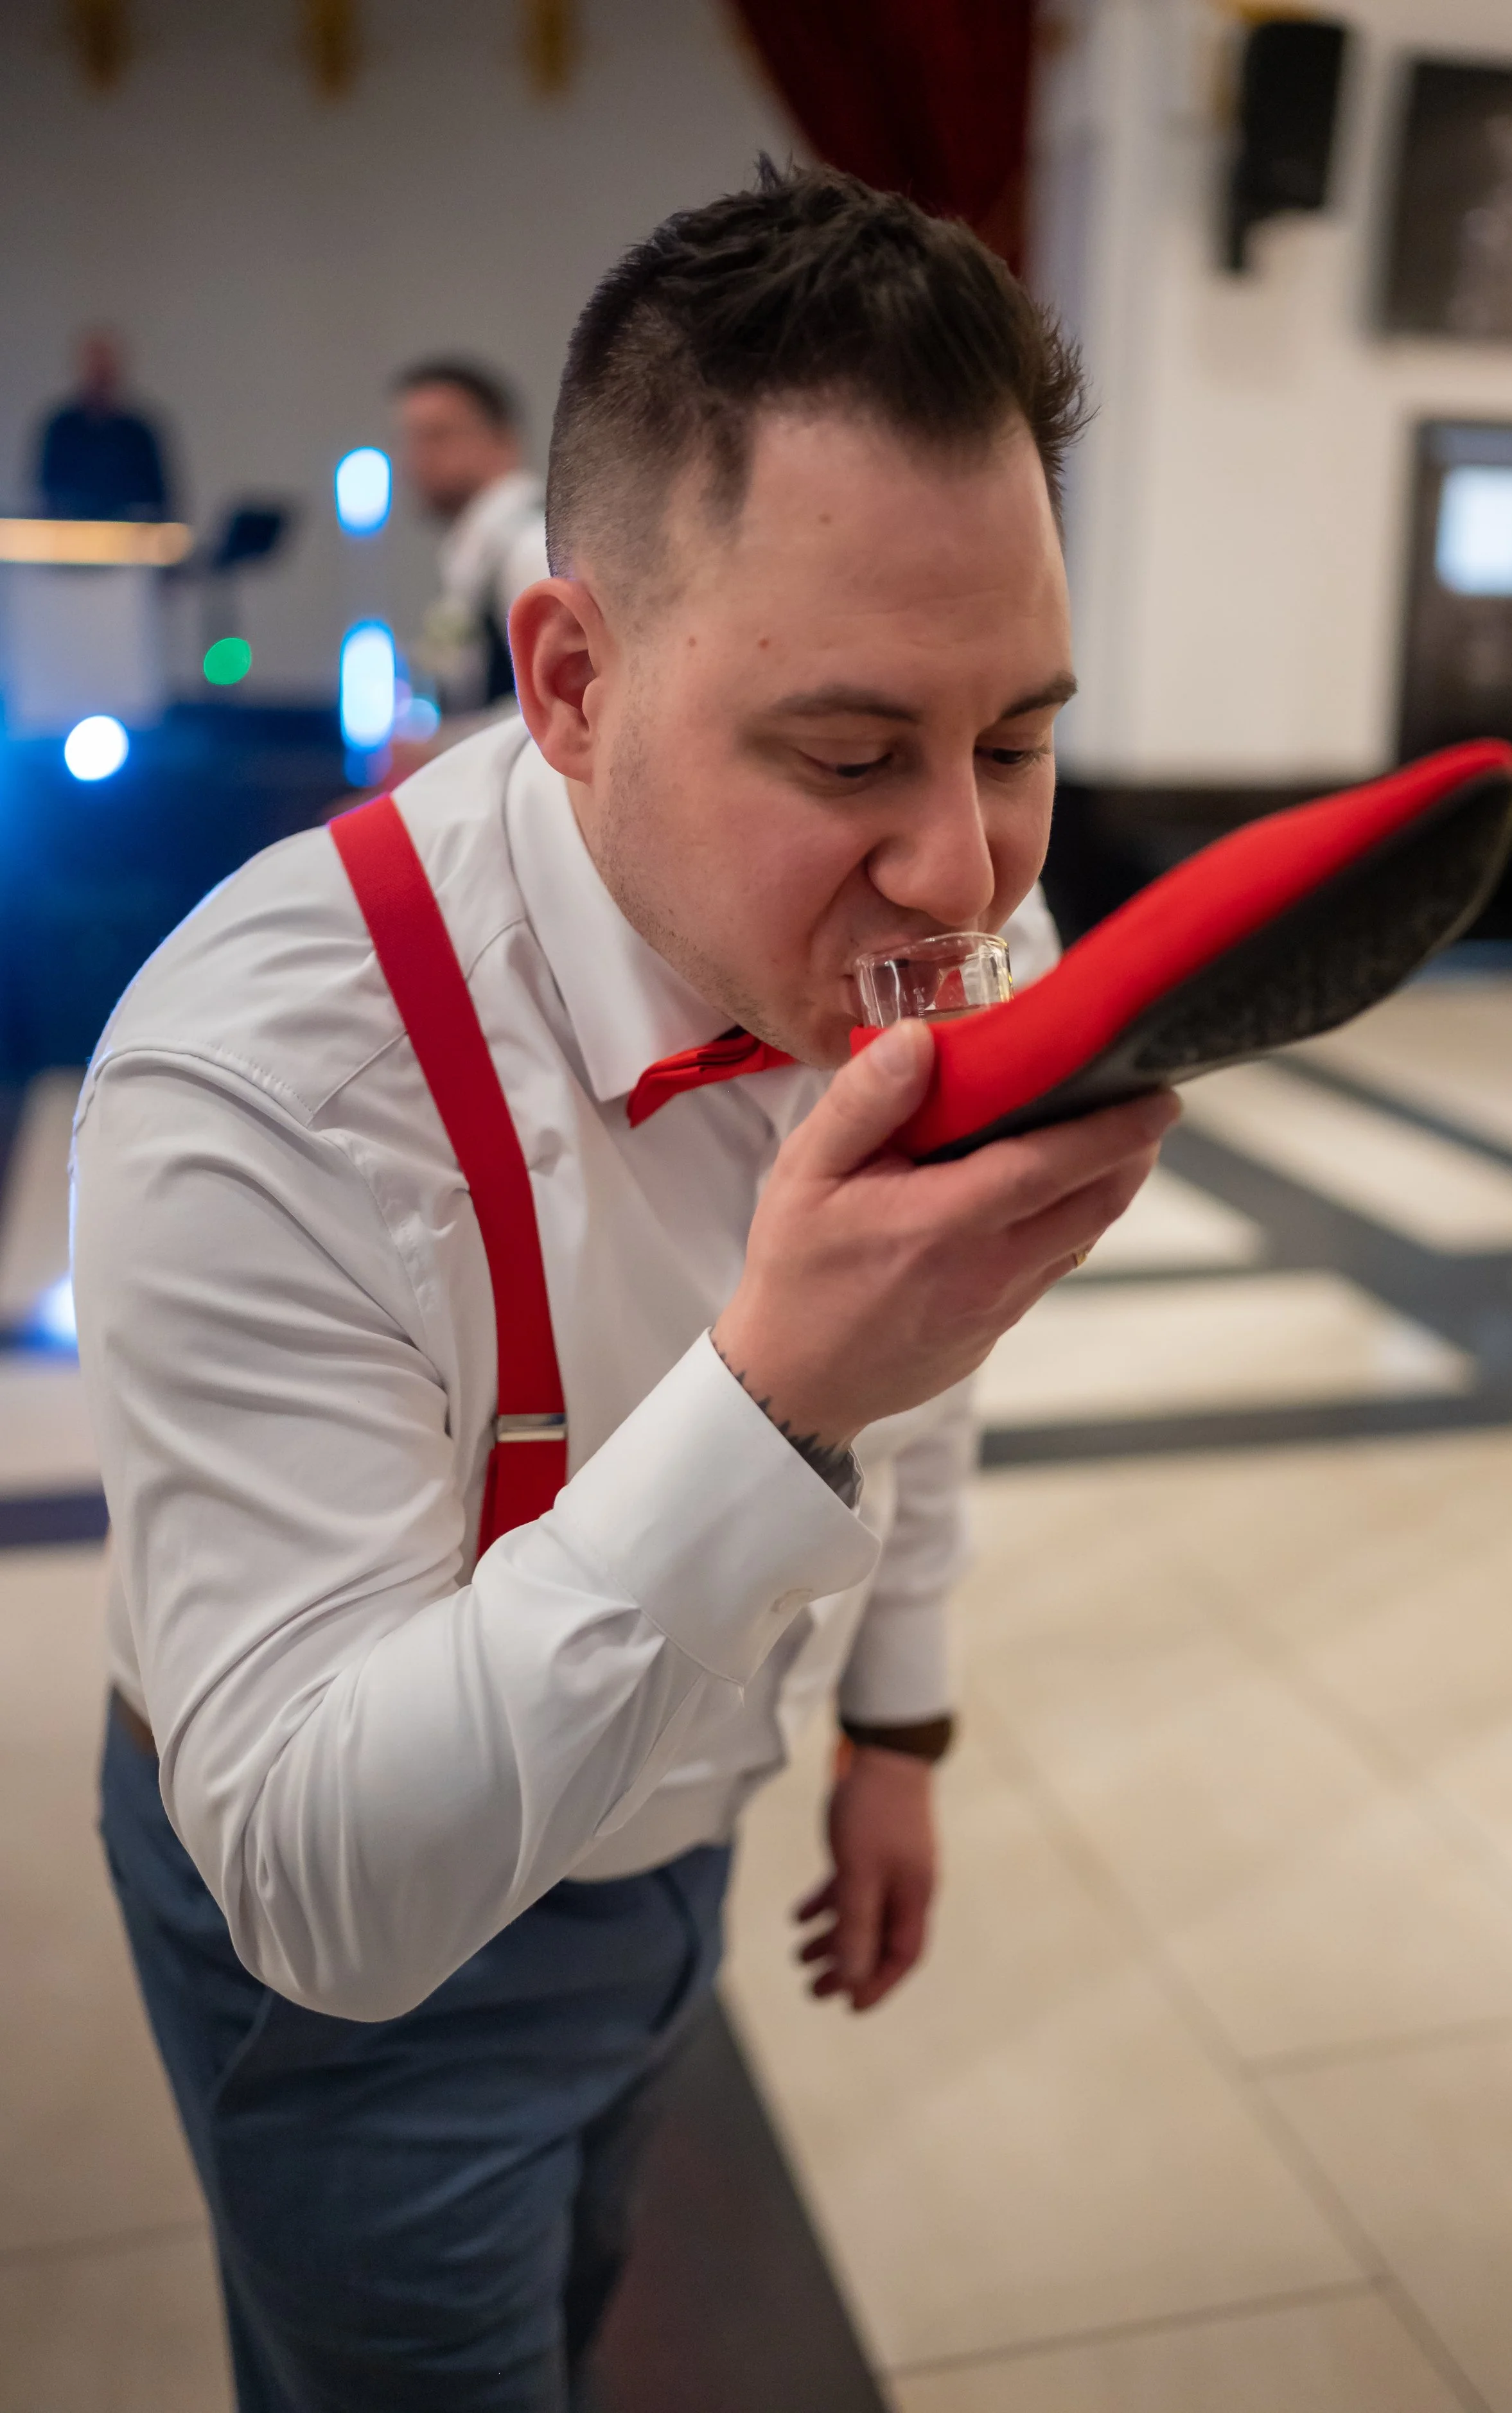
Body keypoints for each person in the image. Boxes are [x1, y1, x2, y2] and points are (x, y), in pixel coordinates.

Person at [74, 163, 1178, 2412]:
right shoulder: (266, 1073)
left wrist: (897, 1712)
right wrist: (776, 1392)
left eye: (1021, 737)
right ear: (570, 676)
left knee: (577, 2304)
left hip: (687, 1826)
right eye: (852, 754)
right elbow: (325, 1889)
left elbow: (929, 1359)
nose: (963, 870)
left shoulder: (956, 924)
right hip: (357, 1963)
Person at [393, 356, 549, 721]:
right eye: (408, 439)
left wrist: (443, 749)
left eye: (437, 436)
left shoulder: (531, 547)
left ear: (503, 442)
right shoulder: (478, 551)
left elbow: (563, 705)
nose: (416, 458)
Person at [34, 328, 173, 520]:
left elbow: (158, 501)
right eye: (94, 369)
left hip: (128, 541)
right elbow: (47, 494)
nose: (99, 377)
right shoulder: (61, 428)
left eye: (105, 370)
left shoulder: (139, 433)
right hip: (70, 536)